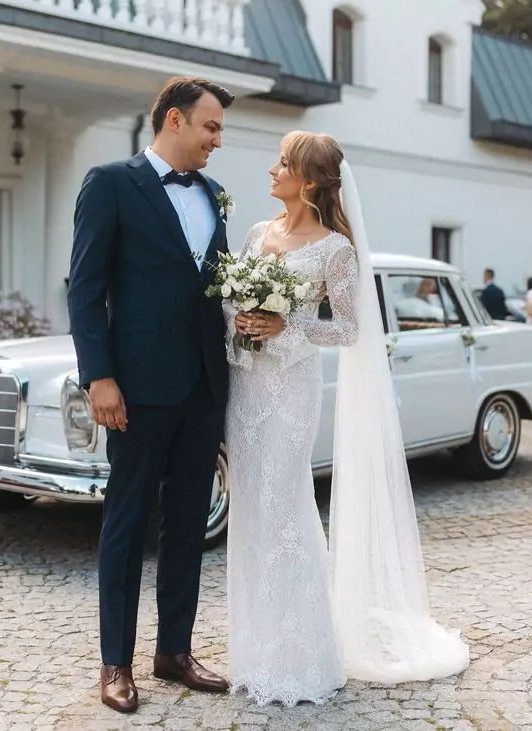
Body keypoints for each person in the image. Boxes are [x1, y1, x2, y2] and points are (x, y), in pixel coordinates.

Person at [224, 131, 470, 707]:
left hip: (291, 393)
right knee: (252, 510)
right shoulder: (259, 234)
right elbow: (234, 301)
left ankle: (303, 657)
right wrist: (242, 320)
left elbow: (351, 330)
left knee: (287, 507)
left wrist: (289, 327)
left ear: (309, 180)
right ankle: (256, 651)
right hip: (249, 387)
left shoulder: (337, 249)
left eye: (282, 164)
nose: (271, 170)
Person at [67, 76, 234, 714]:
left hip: (202, 385)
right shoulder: (111, 183)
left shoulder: (216, 195)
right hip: (134, 389)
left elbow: (213, 290)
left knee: (190, 520)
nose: (218, 141)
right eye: (210, 127)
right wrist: (99, 375)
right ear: (173, 120)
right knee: (127, 521)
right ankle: (116, 664)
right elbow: (83, 288)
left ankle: (174, 651)